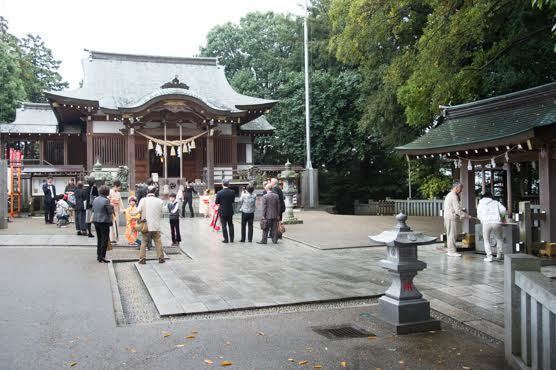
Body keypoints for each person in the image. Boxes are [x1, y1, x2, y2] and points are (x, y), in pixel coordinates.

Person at [133, 186, 165, 264]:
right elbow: (162, 211)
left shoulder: (143, 200)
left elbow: (137, 210)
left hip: (146, 224)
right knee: (158, 241)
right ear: (155, 192)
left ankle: (142, 259)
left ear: (147, 191)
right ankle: (161, 258)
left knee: (144, 242)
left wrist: (131, 213)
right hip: (156, 225)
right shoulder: (159, 201)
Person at [477, 192, 507, 262]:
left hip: (486, 223)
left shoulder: (480, 204)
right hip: (496, 222)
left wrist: (482, 220)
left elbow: (479, 215)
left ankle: (489, 257)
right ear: (491, 197)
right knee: (499, 238)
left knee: (486, 240)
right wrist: (502, 218)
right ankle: (499, 255)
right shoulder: (496, 202)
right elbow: (503, 210)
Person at [443, 181, 470, 257]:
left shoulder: (449, 195)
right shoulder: (453, 196)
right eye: (461, 188)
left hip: (448, 217)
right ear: (456, 187)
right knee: (452, 234)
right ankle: (452, 251)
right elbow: (457, 210)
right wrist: (466, 215)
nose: (461, 190)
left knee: (450, 234)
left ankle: (450, 250)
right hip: (451, 217)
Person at [92, 185, 114, 263]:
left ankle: (99, 255)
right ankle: (102, 256)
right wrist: (112, 206)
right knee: (104, 239)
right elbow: (110, 212)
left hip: (96, 220)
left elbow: (93, 209)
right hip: (104, 221)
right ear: (106, 192)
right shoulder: (106, 200)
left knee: (99, 238)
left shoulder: (95, 199)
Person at [215, 179, 236, 243]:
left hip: (222, 211)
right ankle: (232, 239)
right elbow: (233, 201)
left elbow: (216, 202)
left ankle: (226, 239)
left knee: (224, 225)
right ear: (228, 184)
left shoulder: (219, 192)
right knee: (230, 224)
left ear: (222, 184)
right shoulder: (232, 192)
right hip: (230, 210)